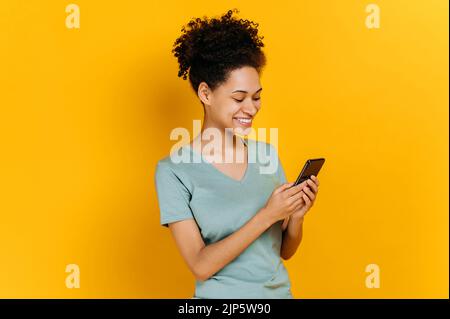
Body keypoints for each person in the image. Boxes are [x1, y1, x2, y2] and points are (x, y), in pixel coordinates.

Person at [154, 9, 320, 299]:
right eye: (239, 98)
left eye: (256, 97)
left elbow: (284, 251)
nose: (252, 108)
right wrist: (267, 215)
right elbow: (200, 265)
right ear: (205, 94)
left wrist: (296, 217)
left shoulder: (266, 154)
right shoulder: (173, 171)